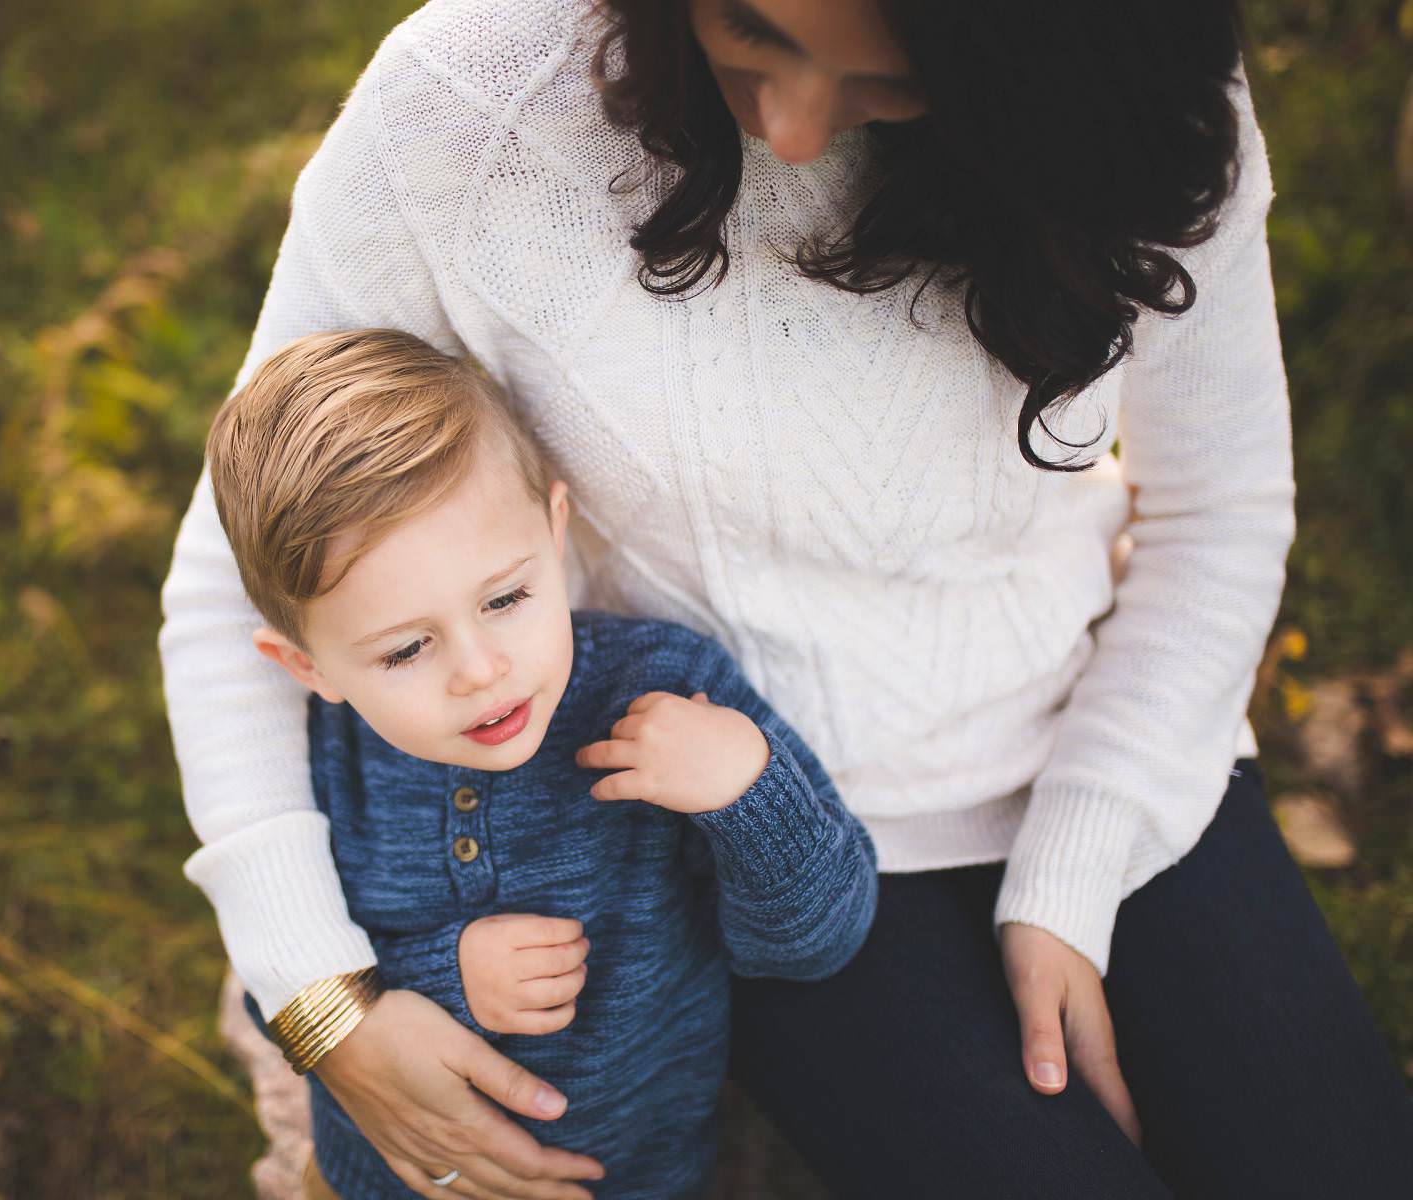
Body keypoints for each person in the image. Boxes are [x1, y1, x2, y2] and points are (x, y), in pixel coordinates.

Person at [161, 0, 1413, 1195]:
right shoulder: (467, 106)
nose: (799, 130)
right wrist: (320, 994)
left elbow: (1218, 511)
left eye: (886, 78)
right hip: (752, 833)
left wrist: (1078, 868)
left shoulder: (1138, 113)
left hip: (1112, 738)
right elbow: (241, 577)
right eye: (752, 33)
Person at [203, 327, 877, 1198]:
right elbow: (275, 973)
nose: (480, 670)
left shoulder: (663, 693)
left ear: (555, 534)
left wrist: (749, 789)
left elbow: (819, 942)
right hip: (387, 1177)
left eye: (507, 598)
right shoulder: (315, 765)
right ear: (309, 669)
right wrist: (445, 977)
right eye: (406, 650)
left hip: (634, 1178)